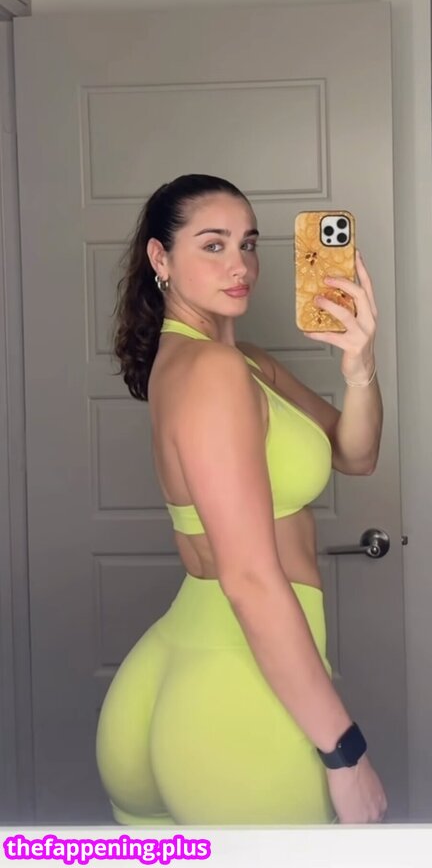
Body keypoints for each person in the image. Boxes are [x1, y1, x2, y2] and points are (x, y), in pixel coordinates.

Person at [95, 173, 387, 826]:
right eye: (213, 245)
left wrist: (360, 367)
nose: (241, 265)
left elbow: (356, 454)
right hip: (232, 694)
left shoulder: (238, 363)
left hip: (174, 665)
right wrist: (346, 754)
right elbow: (250, 580)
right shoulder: (215, 372)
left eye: (248, 243)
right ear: (161, 258)